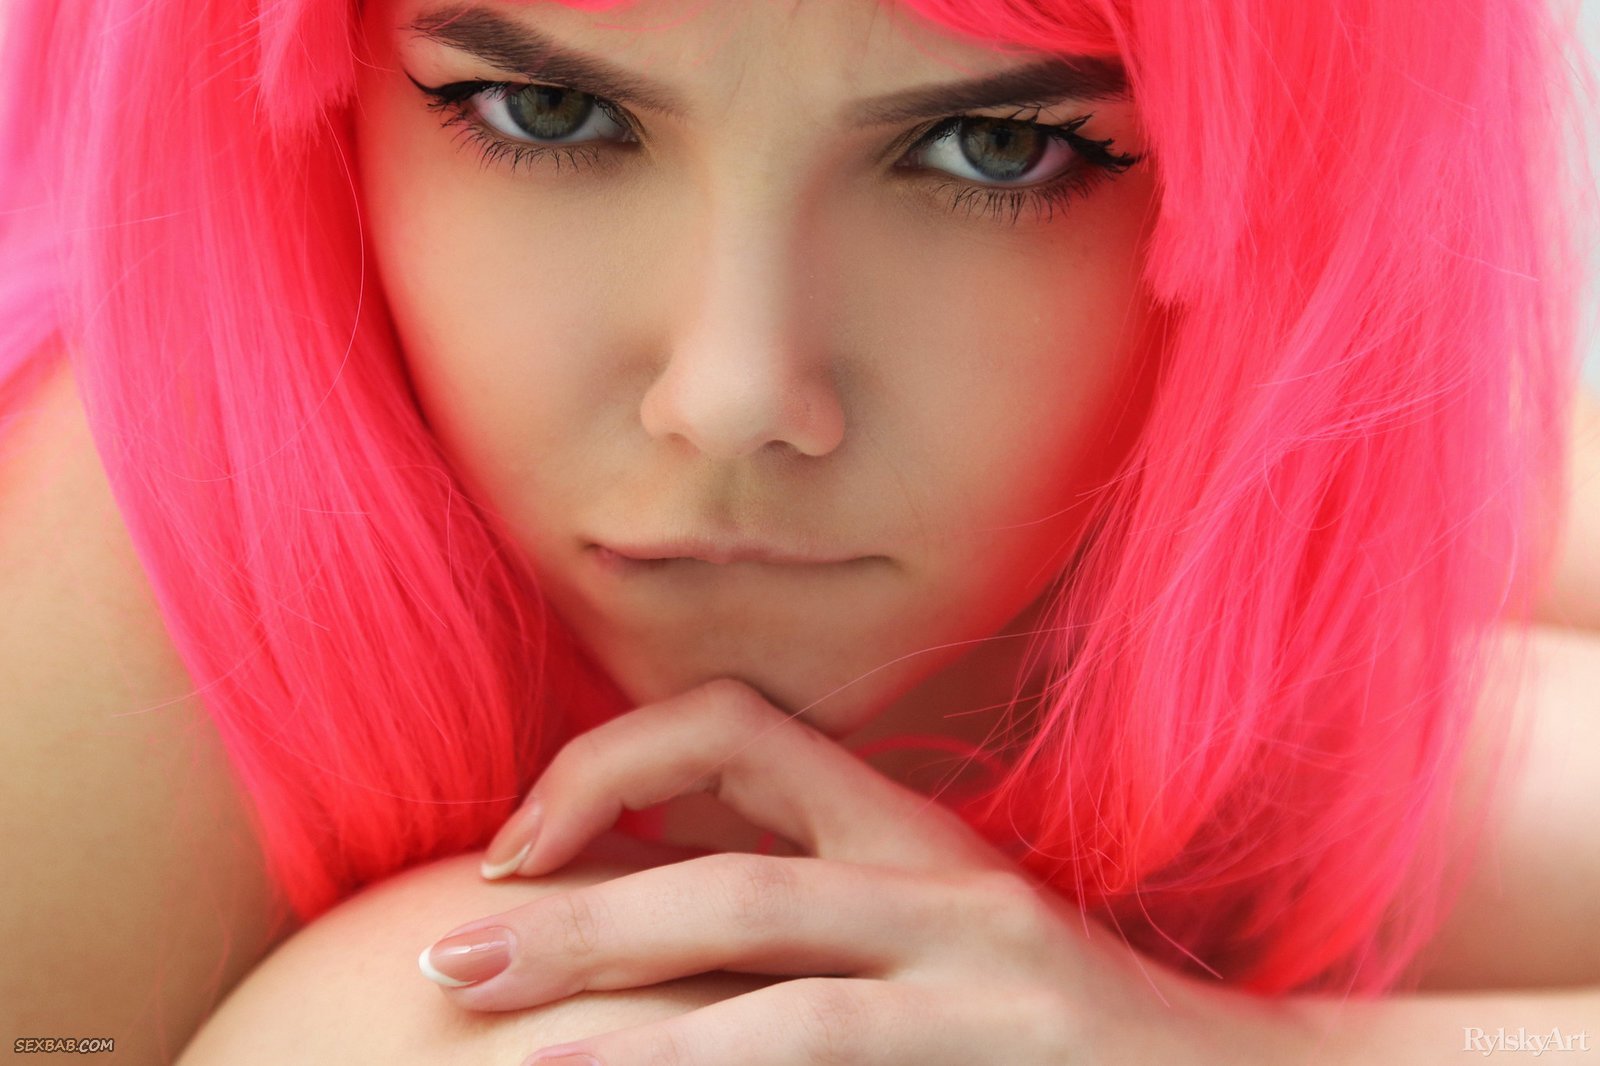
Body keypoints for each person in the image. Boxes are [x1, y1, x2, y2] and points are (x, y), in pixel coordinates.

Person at [1, 0, 1597, 1062]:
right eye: (549, 110)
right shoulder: (113, 602)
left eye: (995, 146)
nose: (734, 394)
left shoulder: (1230, 541)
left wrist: (1237, 1048)